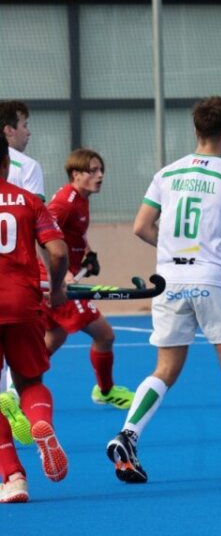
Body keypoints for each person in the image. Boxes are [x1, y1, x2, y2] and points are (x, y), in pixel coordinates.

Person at [105, 97, 221, 485]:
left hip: (169, 281)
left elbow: (141, 227)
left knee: (164, 369)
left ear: (197, 130)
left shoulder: (167, 174)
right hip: (215, 280)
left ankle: (128, 434)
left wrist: (175, 252)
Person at [0, 137, 70, 503]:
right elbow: (57, 251)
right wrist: (56, 289)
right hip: (24, 303)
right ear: (7, 163)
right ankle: (42, 422)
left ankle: (13, 477)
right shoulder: (30, 202)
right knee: (30, 380)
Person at [44, 148, 133, 409]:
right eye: (93, 170)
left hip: (58, 279)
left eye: (101, 169)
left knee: (55, 336)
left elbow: (73, 233)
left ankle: (16, 393)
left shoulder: (81, 198)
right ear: (76, 174)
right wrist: (62, 275)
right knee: (105, 335)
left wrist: (87, 252)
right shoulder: (65, 203)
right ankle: (105, 391)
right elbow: (41, 237)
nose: (100, 175)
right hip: (58, 283)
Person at [0, 101, 46, 445]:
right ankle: (22, 400)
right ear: (8, 130)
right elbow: (38, 225)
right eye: (24, 124)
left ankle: (12, 474)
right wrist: (55, 280)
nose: (28, 130)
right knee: (31, 372)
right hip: (22, 280)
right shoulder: (28, 168)